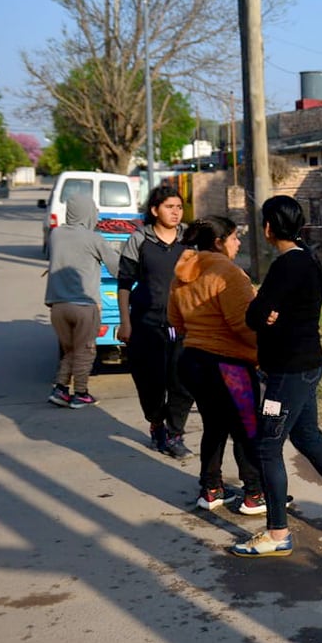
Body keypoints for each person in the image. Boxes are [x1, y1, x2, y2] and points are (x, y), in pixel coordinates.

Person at [231, 195, 322, 558]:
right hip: (306, 364)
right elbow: (279, 310)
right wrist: (270, 313)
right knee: (306, 437)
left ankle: (277, 533)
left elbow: (254, 316)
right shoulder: (308, 258)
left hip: (289, 372)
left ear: (267, 228)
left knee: (267, 446)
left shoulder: (286, 266)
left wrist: (267, 312)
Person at [167, 216, 266, 514]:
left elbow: (175, 321)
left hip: (193, 360)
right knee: (246, 427)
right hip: (229, 365)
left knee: (214, 425)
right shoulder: (227, 272)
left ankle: (210, 489)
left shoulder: (183, 272)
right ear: (219, 242)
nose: (238, 243)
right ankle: (255, 494)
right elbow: (244, 325)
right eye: (234, 238)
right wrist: (265, 352)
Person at [118, 185, 194, 458]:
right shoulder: (139, 240)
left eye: (178, 207)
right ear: (154, 210)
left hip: (183, 325)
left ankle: (175, 435)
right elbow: (124, 284)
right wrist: (125, 322)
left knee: (183, 381)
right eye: (169, 207)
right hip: (146, 324)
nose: (175, 212)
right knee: (150, 383)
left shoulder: (190, 240)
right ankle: (156, 423)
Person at [45, 194, 121, 408]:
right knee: (86, 350)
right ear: (88, 212)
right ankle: (81, 393)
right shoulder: (94, 238)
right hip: (84, 306)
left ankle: (60, 389)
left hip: (57, 306)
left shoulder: (56, 234)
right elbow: (117, 268)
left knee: (70, 351)